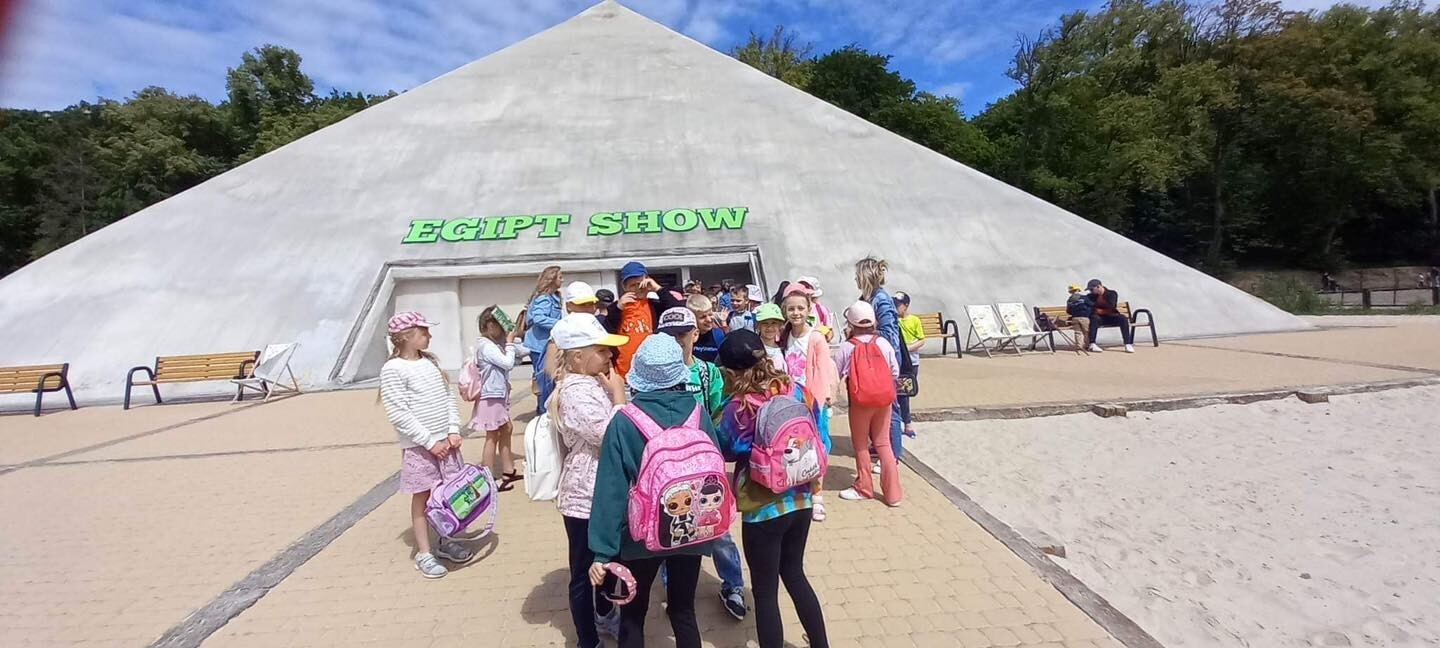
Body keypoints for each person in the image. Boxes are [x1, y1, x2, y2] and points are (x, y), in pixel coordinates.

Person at [588, 334, 726, 648]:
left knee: (633, 614)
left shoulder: (625, 421)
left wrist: (602, 551)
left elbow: (611, 491)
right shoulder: (697, 413)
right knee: (683, 610)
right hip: (691, 531)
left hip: (641, 536)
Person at [715, 330, 831, 648]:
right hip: (802, 497)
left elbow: (727, 448)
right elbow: (820, 432)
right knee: (794, 573)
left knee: (765, 593)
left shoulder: (738, 407)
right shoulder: (796, 390)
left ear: (731, 371)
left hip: (762, 507)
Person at [655, 307, 748, 620]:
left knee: (717, 528)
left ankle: (734, 584)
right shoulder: (651, 375)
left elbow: (720, 415)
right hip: (667, 470)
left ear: (695, 335)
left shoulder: (708, 373)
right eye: (669, 335)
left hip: (705, 465)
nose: (676, 340)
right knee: (670, 529)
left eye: (682, 333)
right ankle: (675, 590)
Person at [551, 313, 630, 647]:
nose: (609, 355)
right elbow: (609, 435)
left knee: (610, 560)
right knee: (585, 569)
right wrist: (619, 399)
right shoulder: (574, 392)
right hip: (585, 496)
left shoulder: (594, 381)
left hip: (605, 490)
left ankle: (606, 613)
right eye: (601, 350)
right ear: (577, 357)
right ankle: (588, 638)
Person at [379, 311, 476, 579]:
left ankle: (447, 538)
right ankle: (424, 552)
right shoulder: (393, 369)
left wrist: (454, 429)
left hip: (446, 444)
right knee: (422, 497)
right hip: (421, 447)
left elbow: (447, 398)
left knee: (449, 495)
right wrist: (429, 442)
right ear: (405, 336)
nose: (429, 336)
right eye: (423, 332)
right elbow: (399, 413)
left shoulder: (430, 364)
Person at [834, 301, 903, 507]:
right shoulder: (883, 343)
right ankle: (893, 494)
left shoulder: (847, 347)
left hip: (860, 402)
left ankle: (864, 488)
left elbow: (835, 372)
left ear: (851, 324)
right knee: (883, 443)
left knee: (861, 444)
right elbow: (895, 371)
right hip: (884, 400)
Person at [854, 256, 906, 465]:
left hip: (884, 360)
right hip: (872, 358)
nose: (855, 279)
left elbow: (890, 335)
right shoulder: (867, 298)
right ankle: (880, 446)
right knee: (875, 404)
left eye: (857, 276)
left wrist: (863, 331)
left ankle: (893, 455)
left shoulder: (881, 299)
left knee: (889, 407)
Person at [470, 306, 526, 492]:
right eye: (500, 327)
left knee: (507, 429)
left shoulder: (494, 344)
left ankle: (508, 470)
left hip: (498, 395)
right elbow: (508, 363)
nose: (503, 331)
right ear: (489, 326)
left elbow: (520, 352)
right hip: (490, 396)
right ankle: (488, 478)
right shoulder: (486, 346)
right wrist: (509, 343)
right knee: (492, 435)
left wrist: (516, 339)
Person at [604, 261, 685, 376]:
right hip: (623, 373)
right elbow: (607, 332)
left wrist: (657, 288)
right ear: (624, 287)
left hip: (651, 373)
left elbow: (678, 310)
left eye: (640, 284)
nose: (638, 288)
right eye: (632, 285)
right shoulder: (616, 308)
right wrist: (618, 308)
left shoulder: (655, 306)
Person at [542, 281, 603, 381]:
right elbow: (550, 366)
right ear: (568, 306)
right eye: (583, 304)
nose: (589, 308)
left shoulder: (594, 323)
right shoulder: (562, 327)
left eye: (591, 304)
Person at [524, 266, 565, 415]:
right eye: (560, 277)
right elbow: (538, 318)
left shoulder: (554, 297)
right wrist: (560, 323)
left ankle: (546, 409)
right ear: (551, 279)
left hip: (546, 344)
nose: (562, 280)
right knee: (544, 378)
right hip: (539, 345)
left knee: (549, 377)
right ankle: (544, 411)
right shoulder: (544, 298)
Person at [893, 291, 924, 438]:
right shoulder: (893, 320)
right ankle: (898, 422)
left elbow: (921, 340)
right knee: (896, 394)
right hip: (896, 361)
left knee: (904, 394)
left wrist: (907, 349)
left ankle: (907, 423)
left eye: (898, 305)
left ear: (906, 306)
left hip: (911, 362)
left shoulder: (914, 320)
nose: (895, 308)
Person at [1084, 279, 1135, 353]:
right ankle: (1092, 344)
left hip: (1111, 316)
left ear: (1098, 287)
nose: (1090, 291)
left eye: (1092, 289)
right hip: (1099, 318)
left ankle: (1128, 344)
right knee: (1094, 318)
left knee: (1123, 318)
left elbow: (1111, 306)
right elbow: (1089, 305)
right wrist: (1097, 307)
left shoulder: (1112, 293)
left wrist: (1096, 307)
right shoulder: (1091, 296)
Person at [686, 294, 726, 364]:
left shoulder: (719, 336)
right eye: (703, 317)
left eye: (710, 314)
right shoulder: (686, 338)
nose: (709, 320)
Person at [795, 275, 837, 341]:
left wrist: (819, 329)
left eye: (807, 287)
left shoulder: (820, 309)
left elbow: (830, 333)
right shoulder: (793, 310)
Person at [754, 303, 786, 371]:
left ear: (780, 325)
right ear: (758, 326)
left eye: (774, 323)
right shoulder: (754, 349)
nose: (770, 327)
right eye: (765, 323)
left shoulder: (782, 348)